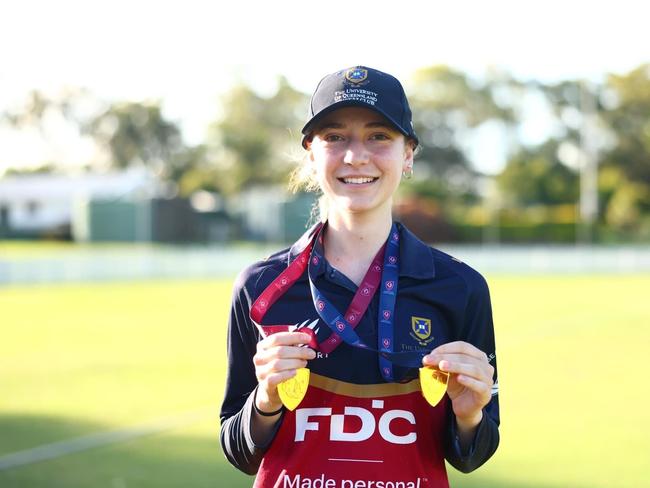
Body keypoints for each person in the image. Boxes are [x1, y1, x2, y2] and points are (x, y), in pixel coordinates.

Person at [220, 66, 499, 488]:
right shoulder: (260, 287)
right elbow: (237, 450)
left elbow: (473, 454)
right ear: (311, 154)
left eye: (379, 136)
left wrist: (469, 415)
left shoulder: (460, 288)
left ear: (408, 155)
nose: (355, 156)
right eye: (335, 137)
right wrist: (265, 401)